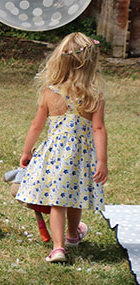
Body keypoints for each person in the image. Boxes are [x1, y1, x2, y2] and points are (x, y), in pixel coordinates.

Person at [15, 32, 108, 263]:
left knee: (58, 200)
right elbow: (98, 129)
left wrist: (27, 151)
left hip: (55, 155)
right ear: (90, 63)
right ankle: (72, 235)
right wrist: (102, 161)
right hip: (80, 156)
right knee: (74, 197)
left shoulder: (50, 92)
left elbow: (36, 126)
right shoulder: (94, 95)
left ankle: (58, 248)